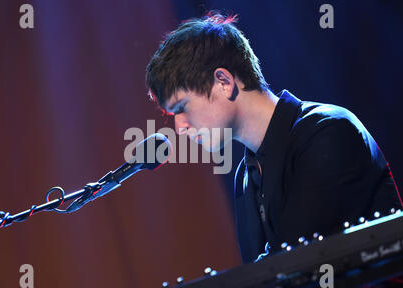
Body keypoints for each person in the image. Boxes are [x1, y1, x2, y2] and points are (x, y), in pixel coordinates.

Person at [145, 13, 403, 263]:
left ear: (223, 81)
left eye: (182, 108)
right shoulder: (245, 177)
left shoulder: (327, 131)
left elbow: (296, 267)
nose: (179, 127)